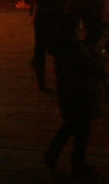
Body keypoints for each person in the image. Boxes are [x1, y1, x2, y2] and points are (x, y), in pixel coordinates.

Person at [43, 33, 105, 181]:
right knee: (81, 127)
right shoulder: (74, 48)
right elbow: (90, 65)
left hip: (69, 91)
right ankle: (77, 163)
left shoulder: (63, 46)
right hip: (80, 91)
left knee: (74, 124)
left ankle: (55, 152)